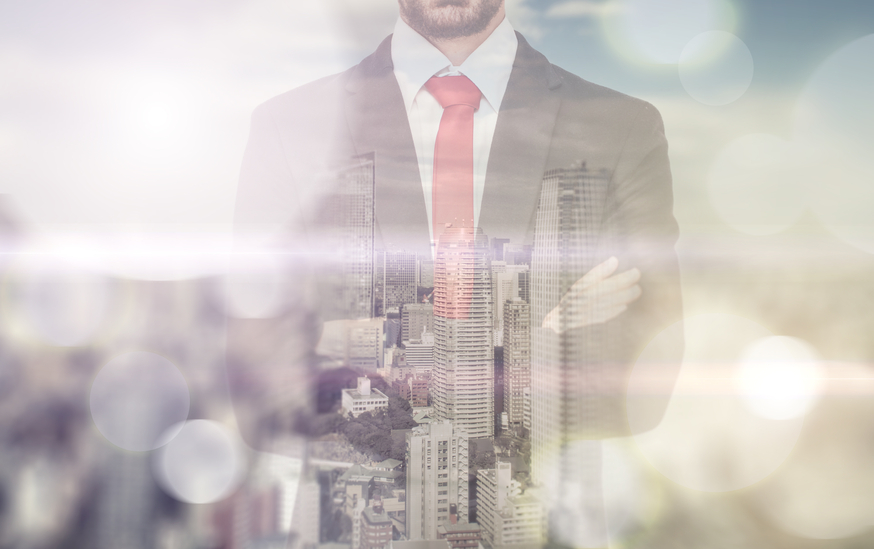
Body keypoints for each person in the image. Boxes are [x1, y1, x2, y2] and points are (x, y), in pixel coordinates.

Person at [228, 0, 683, 546]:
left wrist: (357, 360)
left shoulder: (621, 128)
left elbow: (646, 380)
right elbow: (260, 381)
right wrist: (545, 339)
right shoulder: (287, 127)